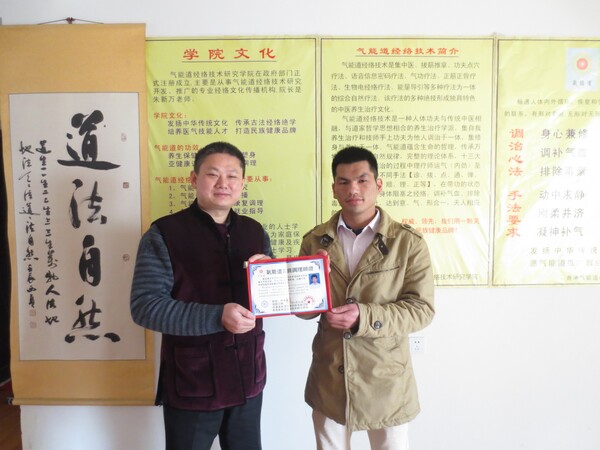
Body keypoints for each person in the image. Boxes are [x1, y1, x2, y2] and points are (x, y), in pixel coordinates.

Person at [130, 141, 273, 450]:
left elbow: (268, 301)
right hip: (193, 381)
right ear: (194, 179)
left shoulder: (254, 231)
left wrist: (278, 276)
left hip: (248, 378)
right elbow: (145, 307)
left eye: (232, 176)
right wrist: (216, 316)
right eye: (212, 174)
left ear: (243, 183)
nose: (223, 183)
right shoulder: (164, 234)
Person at [299, 146, 435, 450]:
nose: (353, 189)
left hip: (386, 377)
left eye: (362, 180)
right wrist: (310, 280)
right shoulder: (315, 240)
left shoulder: (407, 243)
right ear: (334, 188)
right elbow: (305, 311)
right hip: (330, 375)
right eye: (344, 182)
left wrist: (364, 316)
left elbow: (422, 309)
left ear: (378, 184)